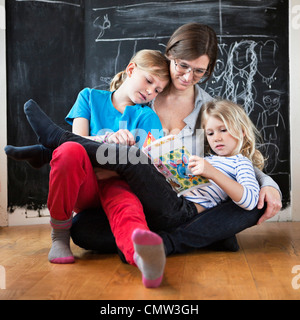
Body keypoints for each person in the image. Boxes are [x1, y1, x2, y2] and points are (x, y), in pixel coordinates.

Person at [6, 23, 282, 268]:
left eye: (198, 72)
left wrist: (268, 182)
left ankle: (166, 243)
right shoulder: (137, 96)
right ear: (169, 56)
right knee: (82, 231)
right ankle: (202, 237)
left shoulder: (209, 110)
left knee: (257, 202)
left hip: (175, 201)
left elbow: (233, 157)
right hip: (126, 196)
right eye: (182, 66)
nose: (187, 77)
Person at [6, 49, 170, 288]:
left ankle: (143, 256)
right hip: (84, 183)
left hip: (118, 182)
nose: (150, 92)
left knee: (126, 205)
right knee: (68, 150)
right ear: (131, 69)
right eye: (148, 81)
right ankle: (59, 236)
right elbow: (78, 141)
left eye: (157, 90)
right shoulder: (89, 97)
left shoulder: (148, 117)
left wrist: (111, 167)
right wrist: (110, 142)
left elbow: (145, 167)